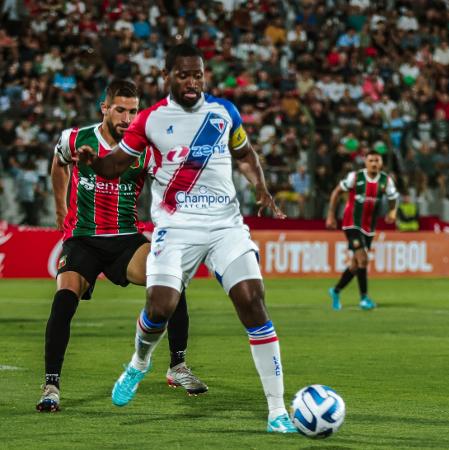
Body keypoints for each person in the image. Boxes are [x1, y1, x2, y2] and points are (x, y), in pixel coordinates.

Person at [77, 43, 296, 433]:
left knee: (253, 301)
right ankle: (139, 364)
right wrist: (94, 162)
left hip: (225, 225)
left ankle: (278, 411)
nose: (193, 81)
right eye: (184, 74)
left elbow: (244, 155)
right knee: (160, 306)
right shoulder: (150, 120)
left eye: (198, 74)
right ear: (167, 77)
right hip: (176, 229)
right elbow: (116, 164)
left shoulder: (224, 112)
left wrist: (261, 188)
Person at [36, 79, 206, 413]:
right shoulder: (76, 138)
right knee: (64, 298)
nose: (127, 118)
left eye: (133, 111)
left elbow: (169, 183)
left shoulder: (145, 148)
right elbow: (59, 163)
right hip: (83, 238)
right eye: (120, 110)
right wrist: (60, 208)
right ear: (105, 107)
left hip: (125, 238)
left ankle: (177, 366)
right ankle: (51, 384)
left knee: (170, 279)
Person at [326, 150, 398, 310]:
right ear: (365, 162)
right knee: (363, 259)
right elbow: (336, 192)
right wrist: (331, 215)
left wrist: (392, 214)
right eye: (371, 160)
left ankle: (336, 290)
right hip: (351, 223)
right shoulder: (355, 177)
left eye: (377, 160)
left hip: (369, 227)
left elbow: (394, 198)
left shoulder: (386, 180)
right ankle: (364, 298)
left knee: (355, 264)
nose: (374, 163)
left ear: (381, 163)